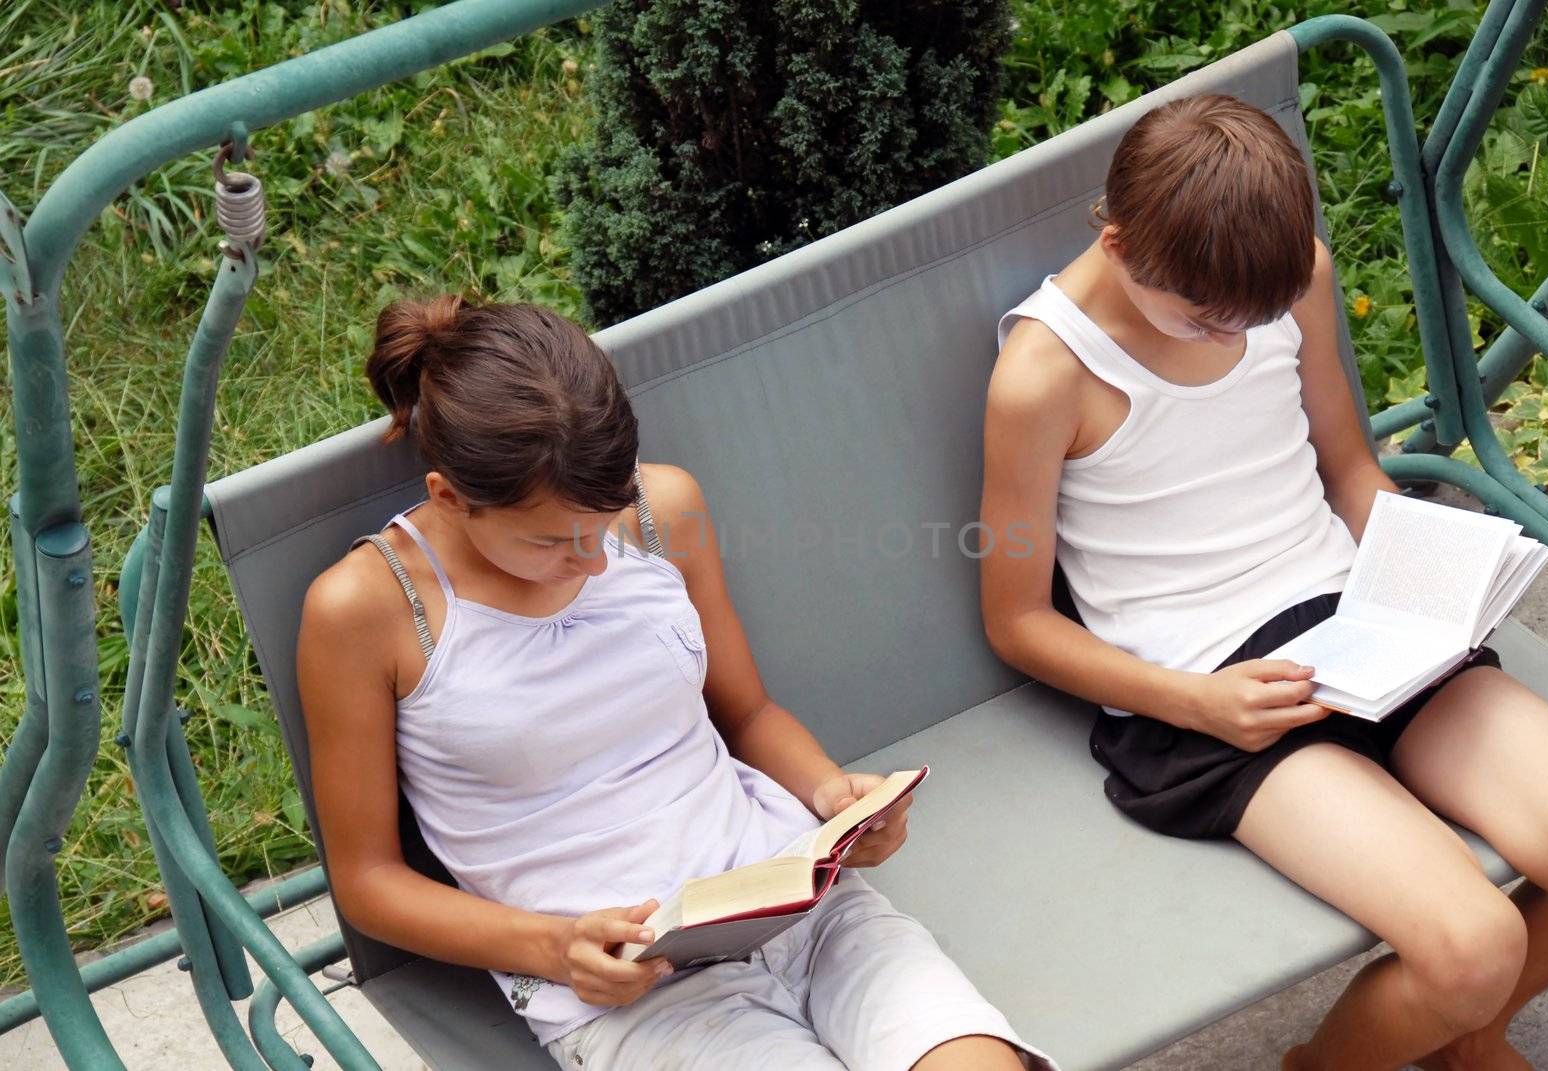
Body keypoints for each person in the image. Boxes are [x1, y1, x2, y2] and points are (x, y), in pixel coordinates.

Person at [978, 93, 1548, 1071]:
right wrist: (1200, 703)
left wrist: (1425, 575)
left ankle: (1455, 1036)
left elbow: (1348, 467)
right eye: (1204, 320)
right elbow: (1016, 622)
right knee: (1474, 944)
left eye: (1252, 322)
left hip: (1357, 627)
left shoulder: (1293, 275)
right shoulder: (1044, 374)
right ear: (1117, 243)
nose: (1232, 340)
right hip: (1203, 693)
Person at [297, 295, 1056, 1071]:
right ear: (451, 496)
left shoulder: (663, 508)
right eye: (553, 542)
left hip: (790, 902)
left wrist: (831, 798)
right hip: (626, 989)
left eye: (607, 518)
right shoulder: (367, 610)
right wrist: (555, 947)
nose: (595, 561)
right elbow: (368, 881)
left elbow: (748, 713)